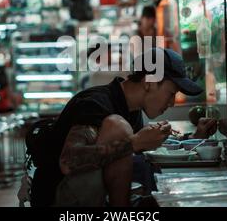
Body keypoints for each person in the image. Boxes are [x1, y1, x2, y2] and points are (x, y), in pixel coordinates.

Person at [30, 48, 217, 207]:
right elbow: (68, 161)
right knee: (117, 127)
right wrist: (134, 143)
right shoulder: (95, 104)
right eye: (171, 94)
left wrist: (196, 136)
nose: (171, 103)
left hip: (89, 195)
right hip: (56, 197)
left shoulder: (131, 108)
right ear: (150, 82)